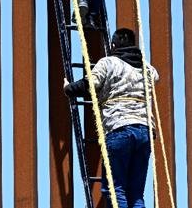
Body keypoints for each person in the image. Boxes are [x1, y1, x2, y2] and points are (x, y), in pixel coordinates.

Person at [63, 28, 160, 208]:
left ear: (114, 45)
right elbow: (156, 76)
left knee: (115, 189)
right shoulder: (146, 67)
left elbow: (90, 84)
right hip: (145, 130)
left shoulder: (108, 63)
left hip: (119, 127)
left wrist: (69, 88)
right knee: (136, 192)